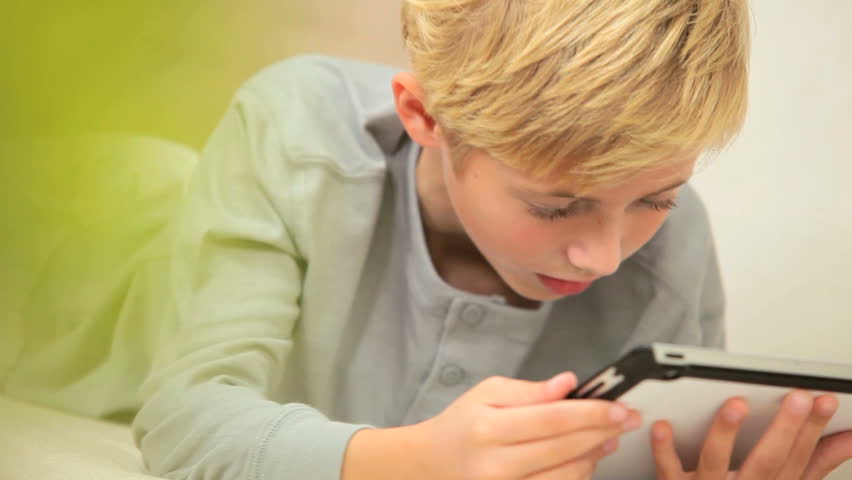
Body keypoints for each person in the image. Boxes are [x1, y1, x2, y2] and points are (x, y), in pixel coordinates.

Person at [131, 0, 852, 479]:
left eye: (655, 199)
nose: (604, 256)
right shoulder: (296, 130)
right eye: (555, 206)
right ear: (424, 116)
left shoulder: (672, 248)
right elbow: (183, 421)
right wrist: (414, 460)